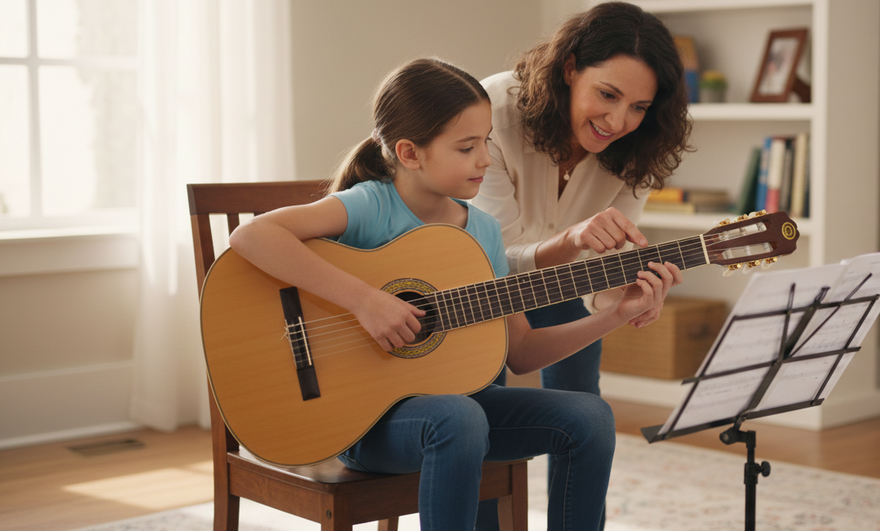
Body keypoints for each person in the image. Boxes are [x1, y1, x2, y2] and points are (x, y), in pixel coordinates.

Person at [227, 58, 681, 531]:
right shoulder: (370, 205)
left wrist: (616, 314)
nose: (485, 158)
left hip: (459, 417)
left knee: (589, 415)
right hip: (365, 424)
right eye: (466, 147)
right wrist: (365, 300)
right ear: (409, 152)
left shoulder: (482, 232)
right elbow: (253, 236)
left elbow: (522, 352)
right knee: (459, 416)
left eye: (485, 141)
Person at [472, 1, 693, 397]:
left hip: (562, 284)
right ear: (570, 68)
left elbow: (599, 271)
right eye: (608, 94)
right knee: (485, 401)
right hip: (476, 285)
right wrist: (572, 239)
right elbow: (498, 260)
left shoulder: (642, 148)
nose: (617, 121)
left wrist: (629, 298)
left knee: (586, 408)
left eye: (638, 107)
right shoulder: (494, 112)